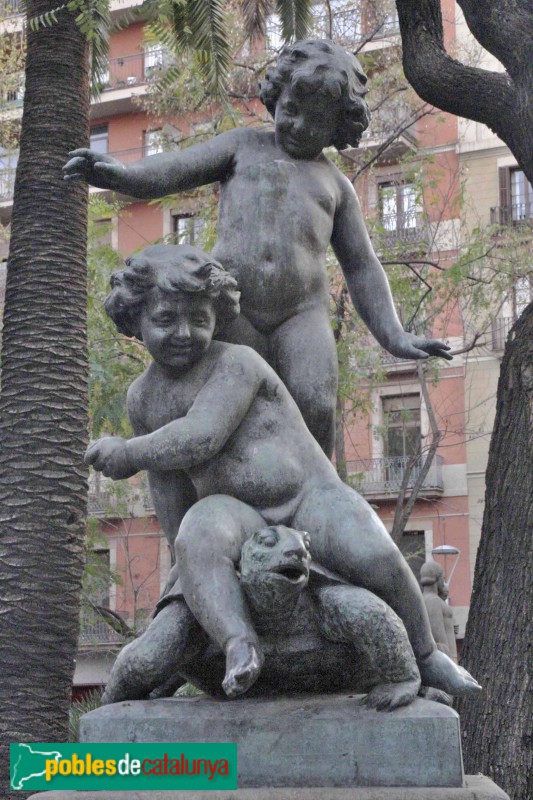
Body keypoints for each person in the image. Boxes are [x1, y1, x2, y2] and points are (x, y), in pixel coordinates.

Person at [86, 244, 479, 700]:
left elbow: (202, 436)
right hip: (234, 512)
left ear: (218, 316)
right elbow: (168, 483)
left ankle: (427, 655)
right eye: (165, 319)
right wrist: (185, 563)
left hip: (307, 496)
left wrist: (129, 453)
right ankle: (239, 642)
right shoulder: (142, 398)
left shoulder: (237, 363)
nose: (184, 333)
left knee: (372, 552)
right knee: (196, 535)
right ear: (134, 318)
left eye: (199, 319)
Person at [65, 39, 451, 461]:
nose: (299, 126)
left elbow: (361, 266)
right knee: (224, 409)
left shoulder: (335, 186)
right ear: (276, 97)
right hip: (233, 309)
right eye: (291, 110)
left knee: (316, 403)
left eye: (317, 121)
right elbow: (175, 170)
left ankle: (318, 490)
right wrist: (123, 175)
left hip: (301, 315)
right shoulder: (242, 147)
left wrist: (393, 333)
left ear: (339, 126)